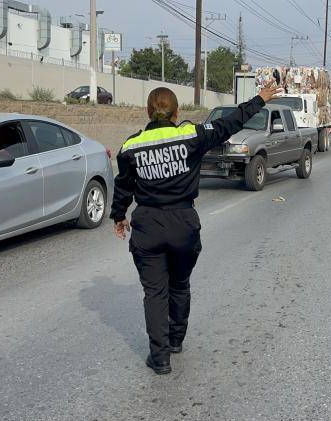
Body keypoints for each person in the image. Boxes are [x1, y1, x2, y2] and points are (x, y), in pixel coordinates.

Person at [110, 84, 282, 375]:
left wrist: (118, 216)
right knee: (179, 285)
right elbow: (230, 123)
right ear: (177, 113)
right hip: (183, 224)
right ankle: (175, 340)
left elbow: (124, 186)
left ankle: (160, 357)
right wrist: (260, 99)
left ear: (148, 112)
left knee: (155, 293)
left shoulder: (131, 146)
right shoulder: (192, 135)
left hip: (148, 226)